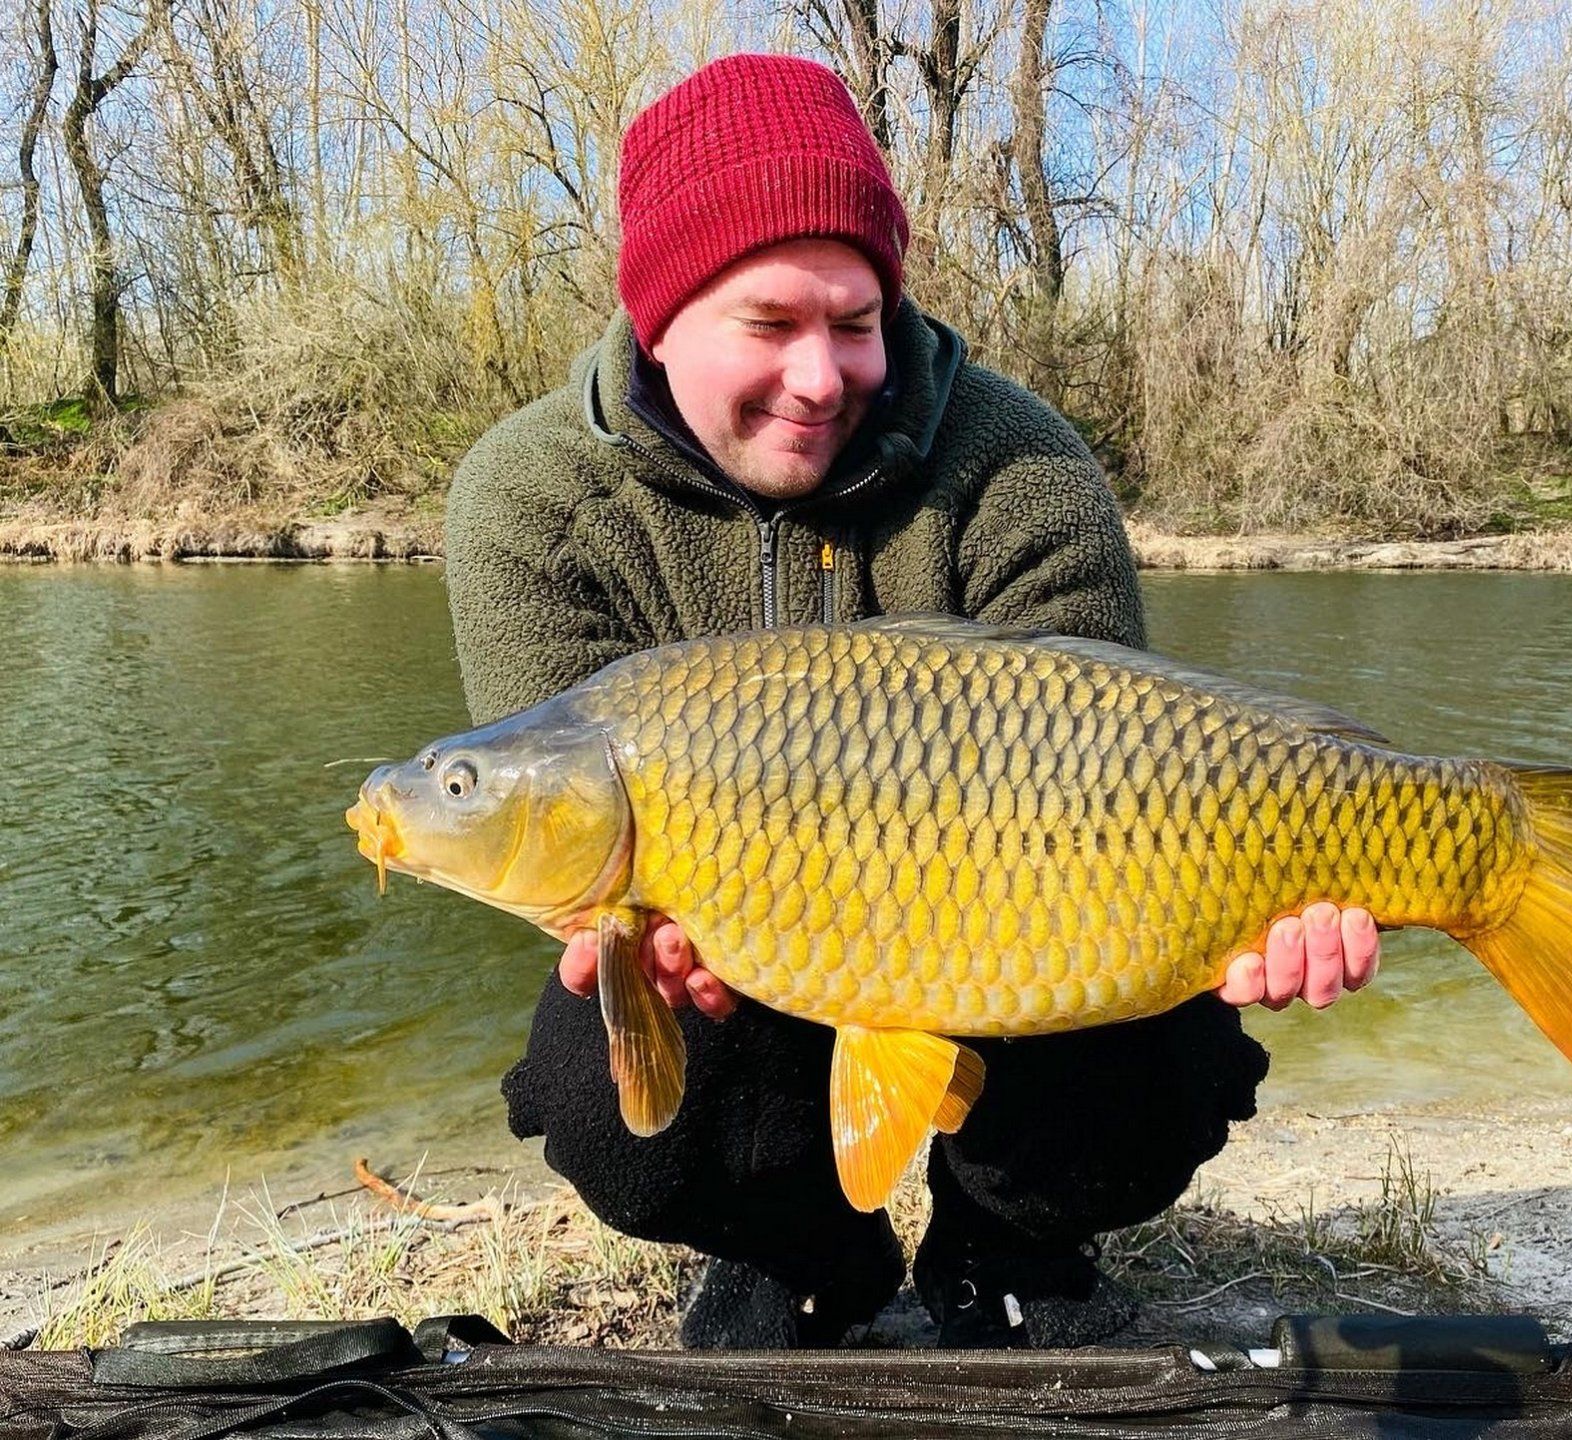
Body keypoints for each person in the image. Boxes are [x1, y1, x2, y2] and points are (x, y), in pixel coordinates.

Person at [443, 52, 1382, 1350]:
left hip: (1040, 895)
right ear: (658, 323)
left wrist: (1258, 905)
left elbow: (1131, 774)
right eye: (770, 325)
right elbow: (557, 817)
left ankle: (1005, 1244)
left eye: (856, 318)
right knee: (614, 1096)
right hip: (740, 949)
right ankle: (805, 1253)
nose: (824, 376)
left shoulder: (1019, 459)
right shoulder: (534, 498)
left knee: (1168, 1060)